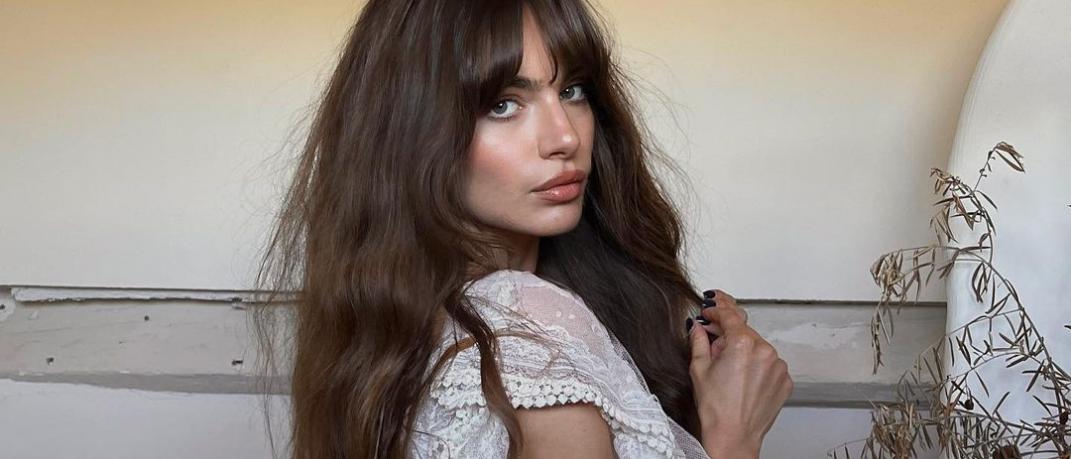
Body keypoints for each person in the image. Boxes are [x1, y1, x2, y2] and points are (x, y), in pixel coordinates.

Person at [250, 0, 792, 458]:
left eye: (573, 90)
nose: (564, 138)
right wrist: (732, 437)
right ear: (409, 133)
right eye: (503, 104)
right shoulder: (529, 334)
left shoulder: (386, 329)